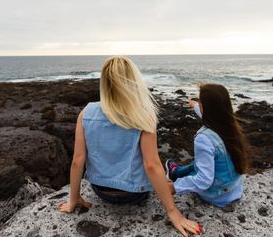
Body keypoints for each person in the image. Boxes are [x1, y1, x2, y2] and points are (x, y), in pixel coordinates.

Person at [58, 56, 202, 236]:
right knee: (162, 173)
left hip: (101, 191)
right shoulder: (143, 115)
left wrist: (73, 199)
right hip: (135, 194)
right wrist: (173, 212)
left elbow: (78, 161)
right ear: (132, 81)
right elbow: (151, 165)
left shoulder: (86, 113)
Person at [165, 84, 249, 207]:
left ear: (206, 107)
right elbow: (206, 114)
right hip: (233, 190)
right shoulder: (230, 126)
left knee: (199, 166)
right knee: (204, 161)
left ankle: (175, 173)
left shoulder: (204, 139)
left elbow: (204, 180)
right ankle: (176, 172)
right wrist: (194, 105)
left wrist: (173, 188)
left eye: (200, 102)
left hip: (217, 195)